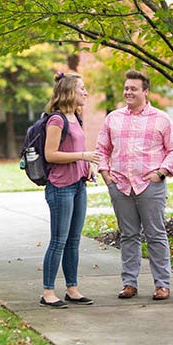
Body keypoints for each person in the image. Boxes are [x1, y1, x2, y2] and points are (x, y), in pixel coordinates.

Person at [95, 69, 173, 301]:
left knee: (156, 234)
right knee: (128, 236)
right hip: (121, 185)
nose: (128, 92)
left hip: (150, 186)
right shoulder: (112, 118)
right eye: (126, 88)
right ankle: (129, 284)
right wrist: (106, 175)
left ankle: (162, 284)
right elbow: (101, 150)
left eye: (133, 88)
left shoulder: (161, 119)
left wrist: (161, 173)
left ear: (145, 91)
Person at [40, 72, 101, 309]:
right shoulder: (56, 120)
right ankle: (47, 292)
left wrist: (87, 168)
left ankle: (72, 289)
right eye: (82, 89)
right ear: (69, 92)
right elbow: (50, 154)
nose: (86, 92)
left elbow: (76, 149)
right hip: (60, 187)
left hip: (78, 185)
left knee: (74, 240)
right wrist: (83, 156)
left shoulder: (75, 117)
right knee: (59, 240)